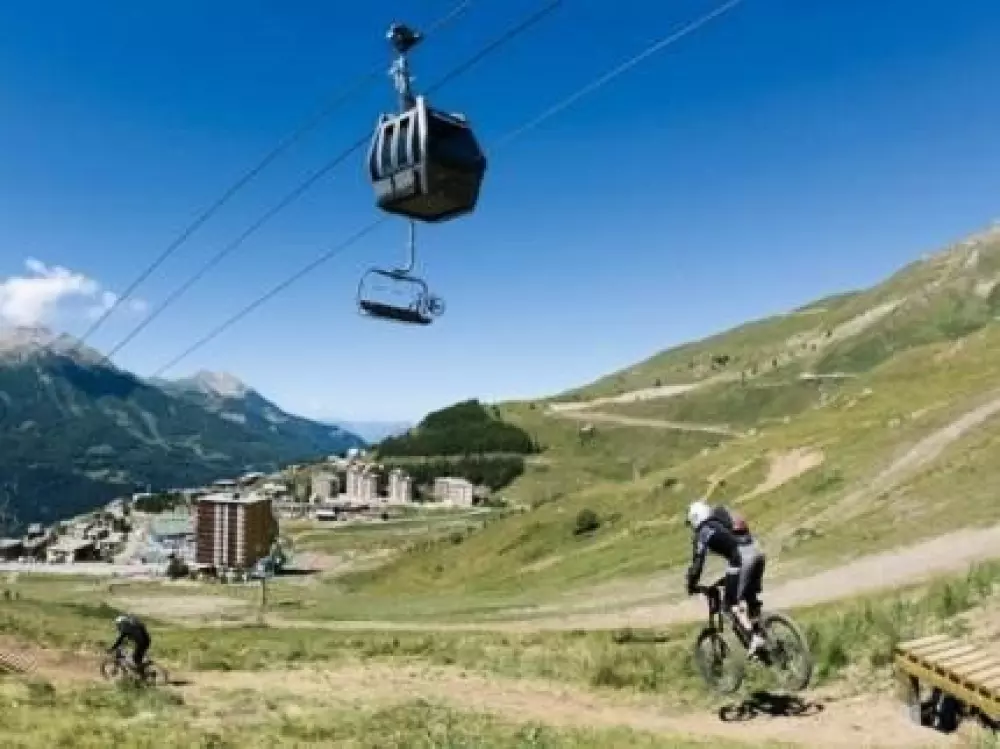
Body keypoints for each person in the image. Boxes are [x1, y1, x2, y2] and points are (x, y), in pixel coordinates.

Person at [685, 498, 767, 657]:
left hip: (742, 560)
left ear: (695, 518)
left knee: (729, 605)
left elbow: (697, 564)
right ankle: (764, 634)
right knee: (749, 597)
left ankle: (754, 638)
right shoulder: (722, 518)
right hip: (758, 553)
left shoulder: (703, 531)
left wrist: (691, 584)